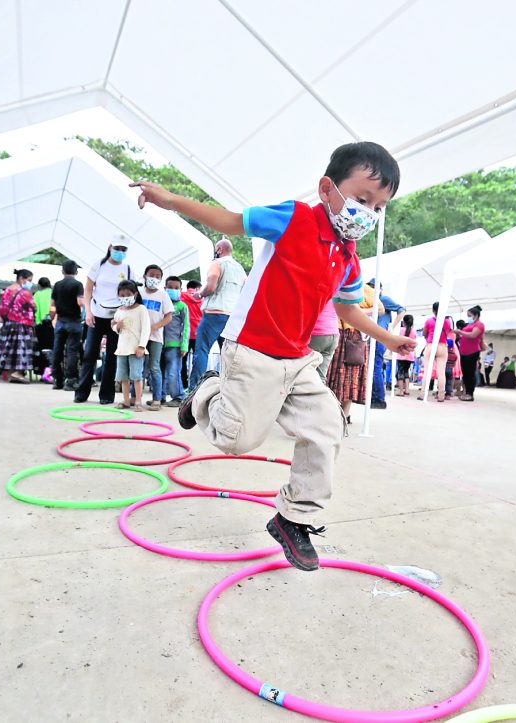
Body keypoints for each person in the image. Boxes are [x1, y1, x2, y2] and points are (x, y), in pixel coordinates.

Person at [130, 141, 415, 572]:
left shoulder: (348, 259)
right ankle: (207, 390)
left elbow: (347, 308)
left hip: (297, 358)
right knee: (236, 440)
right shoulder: (294, 218)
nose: (368, 213)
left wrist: (389, 339)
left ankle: (291, 518)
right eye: (361, 199)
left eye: (378, 207)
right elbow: (229, 221)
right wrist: (170, 201)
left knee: (326, 427)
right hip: (252, 348)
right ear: (326, 189)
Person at [75, 239, 133, 404]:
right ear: (110, 248)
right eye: (117, 248)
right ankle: (81, 392)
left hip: (116, 318)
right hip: (96, 315)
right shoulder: (98, 266)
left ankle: (106, 395)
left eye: (123, 249)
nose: (120, 251)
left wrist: (126, 316)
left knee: (112, 357)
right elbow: (87, 289)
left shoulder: (127, 269)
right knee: (89, 355)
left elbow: (132, 294)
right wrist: (88, 311)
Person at [187, 238, 246, 390]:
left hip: (213, 314)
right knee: (227, 354)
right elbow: (245, 292)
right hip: (231, 316)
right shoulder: (240, 269)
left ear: (219, 249)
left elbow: (211, 286)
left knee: (202, 351)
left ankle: (195, 389)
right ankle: (227, 388)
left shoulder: (217, 264)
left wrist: (199, 294)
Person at [328, 281, 379, 423]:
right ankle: (332, 412)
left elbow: (379, 308)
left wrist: (357, 312)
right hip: (333, 332)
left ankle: (345, 414)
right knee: (333, 375)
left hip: (353, 336)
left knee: (351, 376)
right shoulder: (332, 281)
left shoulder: (363, 288)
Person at [139, 264, 175, 411]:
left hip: (155, 337)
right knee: (138, 368)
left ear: (160, 279)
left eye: (157, 276)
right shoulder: (139, 294)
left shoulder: (163, 295)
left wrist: (154, 327)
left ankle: (156, 399)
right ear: (145, 276)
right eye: (151, 275)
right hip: (139, 337)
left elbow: (169, 317)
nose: (153, 278)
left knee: (154, 367)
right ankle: (135, 397)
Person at [111, 280, 150, 411]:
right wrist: (117, 326)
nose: (124, 297)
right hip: (122, 349)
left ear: (135, 294)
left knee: (137, 377)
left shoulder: (141, 309)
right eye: (121, 295)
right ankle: (126, 401)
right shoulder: (119, 311)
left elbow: (146, 329)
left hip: (136, 350)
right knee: (123, 377)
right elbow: (113, 325)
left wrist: (142, 346)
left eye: (128, 294)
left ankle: (138, 401)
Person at [368, 279, 405, 408]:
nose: (372, 289)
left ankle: (378, 399)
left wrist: (392, 326)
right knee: (373, 368)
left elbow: (402, 309)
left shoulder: (383, 299)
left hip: (379, 338)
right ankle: (374, 397)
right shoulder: (370, 300)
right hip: (373, 337)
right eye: (370, 287)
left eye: (374, 287)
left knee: (375, 368)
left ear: (380, 289)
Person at [0, 269, 36, 384]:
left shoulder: (7, 290)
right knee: (21, 349)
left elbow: (2, 308)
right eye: (29, 280)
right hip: (22, 324)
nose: (30, 283)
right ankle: (17, 372)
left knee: (10, 348)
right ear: (21, 278)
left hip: (8, 324)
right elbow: (33, 307)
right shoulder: (25, 292)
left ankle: (10, 373)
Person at [51, 260, 85, 392]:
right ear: (76, 272)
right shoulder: (78, 284)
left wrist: (53, 317)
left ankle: (57, 380)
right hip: (74, 322)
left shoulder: (57, 285)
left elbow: (52, 303)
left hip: (60, 321)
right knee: (72, 351)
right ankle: (70, 381)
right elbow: (80, 302)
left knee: (57, 350)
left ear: (62, 271)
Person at [162, 276, 190, 407]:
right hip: (159, 344)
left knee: (173, 372)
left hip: (176, 345)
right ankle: (160, 396)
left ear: (181, 289)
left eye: (176, 288)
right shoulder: (161, 304)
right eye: (170, 287)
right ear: (164, 288)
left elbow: (186, 327)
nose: (173, 290)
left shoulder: (182, 306)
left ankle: (178, 397)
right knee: (159, 372)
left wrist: (184, 345)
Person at [420, 302, 452, 402]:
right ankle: (441, 395)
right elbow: (448, 332)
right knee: (441, 373)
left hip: (430, 345)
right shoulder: (447, 321)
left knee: (427, 371)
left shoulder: (429, 321)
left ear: (433, 310)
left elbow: (424, 333)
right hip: (442, 346)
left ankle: (423, 394)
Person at [453, 304, 485, 401]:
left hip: (472, 352)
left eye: (469, 315)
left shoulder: (479, 325)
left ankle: (470, 394)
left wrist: (460, 332)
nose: (468, 317)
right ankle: (466, 392)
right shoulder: (470, 325)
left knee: (470, 374)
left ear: (475, 315)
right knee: (466, 374)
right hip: (464, 352)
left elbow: (473, 335)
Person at [180, 279, 203, 389]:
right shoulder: (203, 298)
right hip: (198, 332)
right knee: (198, 359)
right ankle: (196, 385)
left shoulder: (181, 296)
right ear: (198, 288)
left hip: (184, 333)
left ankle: (183, 385)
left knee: (182, 360)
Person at [308, 300, 339, 379]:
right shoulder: (333, 291)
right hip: (333, 333)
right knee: (320, 377)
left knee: (305, 372)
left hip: (316, 333)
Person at [32, 276, 54, 378]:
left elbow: (35, 309)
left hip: (41, 325)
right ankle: (51, 371)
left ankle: (42, 371)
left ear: (39, 285)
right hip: (53, 324)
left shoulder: (37, 294)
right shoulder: (53, 293)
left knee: (42, 348)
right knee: (53, 348)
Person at [394, 314, 417, 396]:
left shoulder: (400, 330)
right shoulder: (414, 331)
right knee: (406, 372)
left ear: (404, 321)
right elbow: (414, 343)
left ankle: (401, 391)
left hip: (401, 353)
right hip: (410, 354)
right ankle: (407, 390)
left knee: (400, 372)